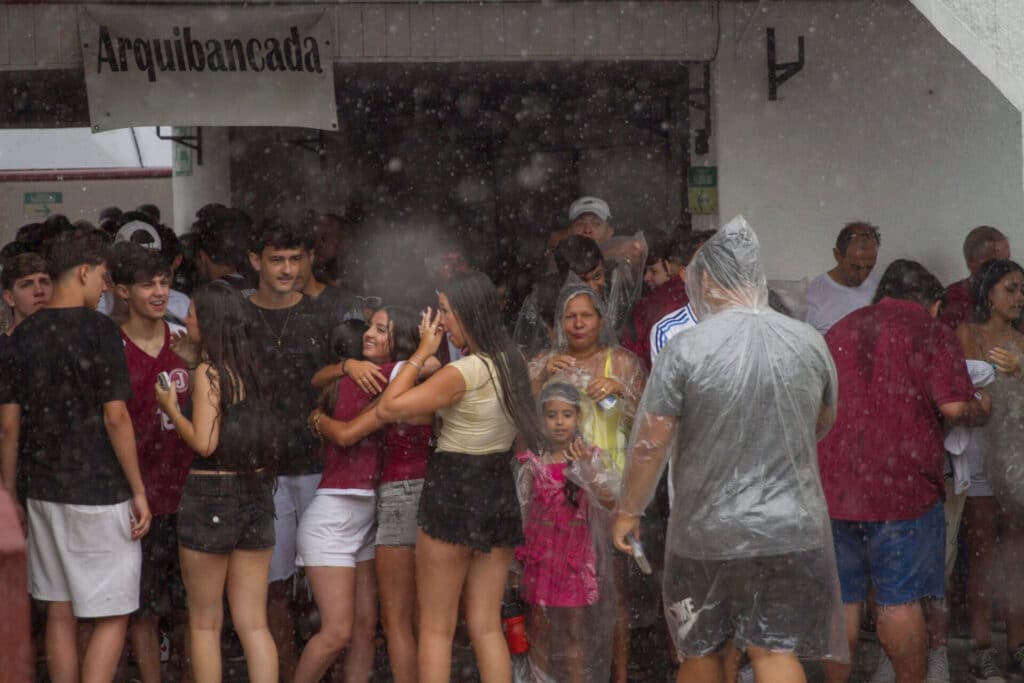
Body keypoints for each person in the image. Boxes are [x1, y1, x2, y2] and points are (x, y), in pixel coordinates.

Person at [612, 215, 847, 683]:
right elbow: (821, 422)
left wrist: (629, 509)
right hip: (790, 525)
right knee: (776, 652)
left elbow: (650, 442)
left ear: (706, 280)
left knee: (701, 649)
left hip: (707, 527)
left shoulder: (687, 348)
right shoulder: (808, 342)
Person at [818, 259, 992, 683]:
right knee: (899, 601)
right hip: (902, 488)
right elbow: (954, 408)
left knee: (843, 598)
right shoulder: (932, 333)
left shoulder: (839, 330)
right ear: (932, 304)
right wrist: (983, 407)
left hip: (836, 486)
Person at [376, 271, 546, 683]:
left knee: (436, 627)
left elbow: (387, 408)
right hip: (495, 483)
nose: (442, 323)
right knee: (486, 623)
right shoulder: (514, 362)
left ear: (469, 314)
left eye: (447, 312)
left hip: (454, 484)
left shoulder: (462, 372)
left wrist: (420, 353)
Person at [0, 228, 151, 683]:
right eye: (103, 276)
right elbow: (116, 418)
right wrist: (139, 489)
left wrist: (11, 493)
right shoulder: (101, 331)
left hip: (43, 490)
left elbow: (8, 425)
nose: (106, 286)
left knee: (60, 610)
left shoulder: (21, 337)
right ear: (84, 272)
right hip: (101, 488)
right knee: (114, 614)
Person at [293, 306, 426, 683]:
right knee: (337, 633)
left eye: (380, 329)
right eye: (369, 326)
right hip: (332, 520)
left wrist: (345, 366)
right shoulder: (371, 376)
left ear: (397, 341)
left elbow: (426, 366)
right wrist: (348, 366)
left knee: (367, 631)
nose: (369, 333)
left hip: (368, 521)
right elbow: (426, 364)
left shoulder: (391, 375)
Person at [154, 282, 278, 683]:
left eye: (191, 313)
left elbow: (205, 443)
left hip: (211, 496)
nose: (185, 319)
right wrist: (193, 361)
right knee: (254, 623)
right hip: (256, 492)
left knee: (205, 622)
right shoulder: (251, 367)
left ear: (208, 322)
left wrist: (172, 407)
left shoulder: (211, 372)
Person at [528, 284, 647, 683]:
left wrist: (622, 391)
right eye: (570, 316)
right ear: (559, 323)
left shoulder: (623, 363)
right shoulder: (546, 362)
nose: (578, 324)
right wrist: (540, 376)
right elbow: (521, 422)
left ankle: (620, 674)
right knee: (556, 596)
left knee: (614, 590)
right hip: (557, 493)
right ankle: (560, 673)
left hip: (610, 489)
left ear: (601, 320)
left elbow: (651, 424)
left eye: (586, 316)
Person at [246, 222, 334, 679]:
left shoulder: (323, 314)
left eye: (294, 259)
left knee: (330, 587)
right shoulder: (239, 315)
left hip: (321, 465)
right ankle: (281, 672)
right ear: (254, 260)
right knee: (272, 586)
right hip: (263, 468)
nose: (286, 269)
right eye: (276, 259)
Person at [111, 243, 194, 683]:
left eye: (165, 282)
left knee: (187, 608)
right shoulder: (111, 345)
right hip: (135, 497)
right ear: (123, 291)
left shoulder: (185, 341)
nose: (160, 292)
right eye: (148, 284)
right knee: (141, 608)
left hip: (188, 494)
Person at [516, 381, 618, 683]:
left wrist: (587, 468)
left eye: (566, 415)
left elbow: (609, 500)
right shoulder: (531, 462)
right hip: (541, 558)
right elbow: (521, 513)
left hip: (575, 559)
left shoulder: (591, 457)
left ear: (579, 418)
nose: (559, 422)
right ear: (540, 419)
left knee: (575, 632)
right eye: (551, 415)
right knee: (540, 630)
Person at [954, 259, 1024, 681]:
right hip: (979, 453)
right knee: (980, 551)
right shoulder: (968, 335)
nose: (1019, 297)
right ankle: (981, 648)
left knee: (1016, 552)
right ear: (987, 294)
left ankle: (1017, 643)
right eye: (1010, 289)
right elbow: (963, 389)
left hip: (1015, 457)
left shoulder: (1022, 340)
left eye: (1021, 290)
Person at [647, 230, 715, 365]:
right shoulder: (669, 331)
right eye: (702, 267)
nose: (712, 275)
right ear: (685, 275)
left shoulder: (746, 322)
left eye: (720, 265)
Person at [624, 229, 687, 368]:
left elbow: (634, 356)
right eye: (644, 271)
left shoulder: (650, 307)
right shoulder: (698, 297)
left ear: (670, 267)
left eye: (653, 271)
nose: (646, 278)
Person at [804, 221, 881, 334]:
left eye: (869, 267)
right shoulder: (814, 295)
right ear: (837, 255)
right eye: (855, 267)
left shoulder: (881, 288)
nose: (862, 275)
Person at [941, 226, 1012, 331]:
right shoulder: (952, 298)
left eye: (1007, 261)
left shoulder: (1017, 295)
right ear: (972, 263)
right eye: (996, 263)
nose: (1006, 268)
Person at [1, 253, 52, 337]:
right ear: (9, 298)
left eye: (44, 281)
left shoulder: (72, 338)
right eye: (27, 284)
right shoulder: (4, 348)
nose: (39, 291)